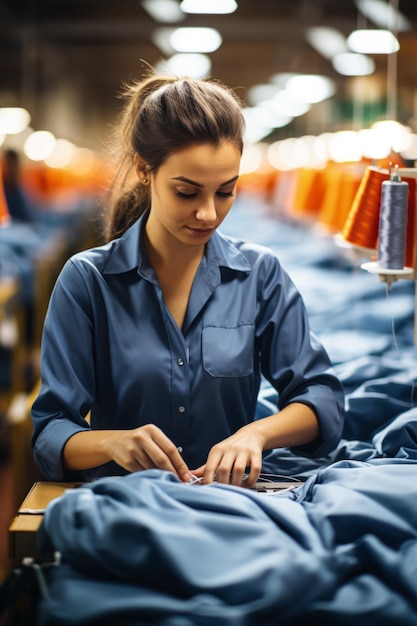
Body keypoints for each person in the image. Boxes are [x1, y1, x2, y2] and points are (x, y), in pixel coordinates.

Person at [31, 72, 345, 486]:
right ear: (145, 170)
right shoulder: (88, 281)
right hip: (131, 502)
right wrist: (112, 444)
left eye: (225, 191)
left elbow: (320, 397)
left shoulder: (259, 275)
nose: (209, 214)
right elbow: (51, 430)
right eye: (187, 192)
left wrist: (256, 434)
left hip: (235, 503)